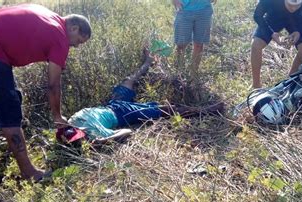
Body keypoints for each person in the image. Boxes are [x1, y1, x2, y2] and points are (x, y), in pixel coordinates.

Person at [0, 4, 91, 181]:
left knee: (13, 98)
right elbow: (54, 85)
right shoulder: (61, 37)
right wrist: (57, 116)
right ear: (74, 28)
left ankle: (11, 148)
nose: (76, 46)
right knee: (10, 108)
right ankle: (29, 173)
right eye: (78, 41)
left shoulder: (50, 17)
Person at [62, 50, 224, 143]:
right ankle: (208, 110)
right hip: (120, 112)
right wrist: (99, 141)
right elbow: (125, 131)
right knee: (162, 110)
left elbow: (124, 132)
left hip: (112, 105)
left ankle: (148, 61)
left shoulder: (76, 128)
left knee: (129, 81)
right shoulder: (91, 133)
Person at [251, 0, 302, 89]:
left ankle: (289, 82)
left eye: (296, 6)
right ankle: (256, 85)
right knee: (256, 44)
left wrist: (299, 32)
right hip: (274, 16)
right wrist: (271, 33)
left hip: (297, 19)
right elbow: (257, 15)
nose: (293, 8)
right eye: (290, 5)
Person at [172, 0, 217, 79]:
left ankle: (193, 74)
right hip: (184, 10)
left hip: (204, 10)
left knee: (199, 44)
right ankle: (179, 73)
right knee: (181, 45)